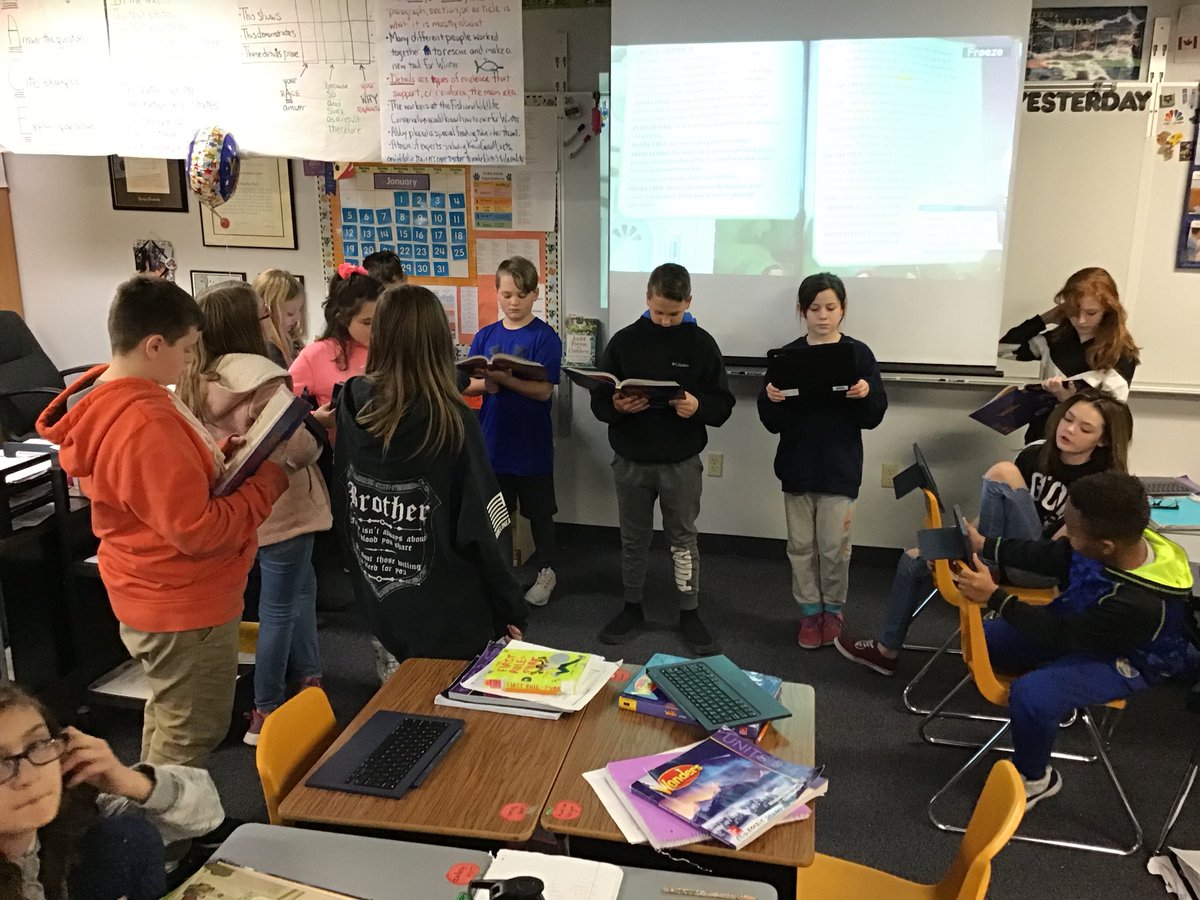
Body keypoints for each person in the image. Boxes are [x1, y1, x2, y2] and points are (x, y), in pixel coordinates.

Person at [36, 276, 288, 767]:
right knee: (191, 733)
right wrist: (269, 481)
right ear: (154, 345)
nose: (192, 360)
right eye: (188, 348)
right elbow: (199, 530)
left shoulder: (117, 399)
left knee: (171, 715)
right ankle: (160, 818)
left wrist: (215, 457)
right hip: (182, 601)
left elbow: (154, 490)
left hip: (153, 589)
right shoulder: (145, 421)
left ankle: (144, 804)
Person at [836, 389, 1133, 676]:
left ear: (1104, 439)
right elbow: (998, 508)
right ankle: (886, 652)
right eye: (1067, 418)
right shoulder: (1034, 456)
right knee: (914, 558)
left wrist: (986, 552)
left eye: (1085, 428)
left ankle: (986, 565)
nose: (1069, 430)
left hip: (1040, 567)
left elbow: (1055, 553)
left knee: (1002, 472)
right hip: (1001, 550)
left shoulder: (1100, 486)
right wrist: (963, 538)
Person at [952, 472, 1196, 806]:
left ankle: (1035, 778)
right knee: (983, 638)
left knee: (1032, 694)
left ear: (1105, 546)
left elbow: (1061, 634)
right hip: (1081, 625)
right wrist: (986, 545)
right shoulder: (1106, 543)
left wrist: (995, 597)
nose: (1065, 533)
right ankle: (1051, 683)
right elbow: (1053, 556)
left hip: (1126, 658)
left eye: (1072, 530)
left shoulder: (1139, 603)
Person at [333, 284, 528, 664]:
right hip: (450, 616)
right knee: (449, 699)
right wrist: (511, 608)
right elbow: (484, 527)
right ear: (440, 340)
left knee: (399, 692)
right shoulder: (451, 420)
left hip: (380, 601)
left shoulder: (352, 401)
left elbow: (345, 502)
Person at [178, 283, 332, 746]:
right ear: (247, 324)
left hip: (240, 510)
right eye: (265, 314)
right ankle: (265, 708)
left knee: (299, 590)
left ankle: (309, 678)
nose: (272, 320)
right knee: (280, 607)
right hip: (282, 506)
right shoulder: (261, 378)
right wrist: (315, 425)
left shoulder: (194, 377)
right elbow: (299, 450)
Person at [589, 263, 735, 654]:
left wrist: (698, 407)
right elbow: (599, 402)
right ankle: (632, 606)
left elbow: (723, 405)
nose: (666, 321)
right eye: (658, 313)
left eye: (674, 313)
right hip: (631, 459)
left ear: (689, 302)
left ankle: (689, 611)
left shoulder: (701, 344)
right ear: (647, 299)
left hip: (680, 461)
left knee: (683, 539)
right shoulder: (624, 341)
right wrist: (617, 406)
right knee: (633, 538)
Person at [758, 273, 887, 650]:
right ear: (802, 311)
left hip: (840, 467)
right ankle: (809, 612)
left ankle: (833, 611)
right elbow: (770, 420)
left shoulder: (858, 354)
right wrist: (771, 398)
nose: (823, 315)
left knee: (835, 548)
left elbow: (873, 415)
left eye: (831, 307)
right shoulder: (787, 356)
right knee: (800, 547)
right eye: (814, 308)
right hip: (797, 466)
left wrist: (865, 393)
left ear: (843, 309)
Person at [0, 683, 224, 900]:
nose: (28, 777)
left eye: (37, 745)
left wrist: (129, 781)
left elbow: (207, 815)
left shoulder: (69, 814)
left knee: (128, 838)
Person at [464, 256, 563, 606]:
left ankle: (547, 572)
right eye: (506, 295)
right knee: (496, 514)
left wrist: (505, 380)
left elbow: (544, 390)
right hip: (494, 440)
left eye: (521, 294)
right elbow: (468, 382)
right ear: (497, 293)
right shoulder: (485, 335)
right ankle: (500, 576)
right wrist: (487, 384)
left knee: (539, 512)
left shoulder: (545, 337)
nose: (514, 302)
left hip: (531, 442)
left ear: (535, 293)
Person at [998, 267, 1139, 442]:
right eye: (1073, 312)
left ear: (1108, 310)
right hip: (1042, 436)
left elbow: (1114, 415)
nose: (1081, 320)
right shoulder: (1055, 340)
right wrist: (1045, 319)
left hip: (1085, 445)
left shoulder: (1120, 353)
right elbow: (1003, 349)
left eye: (1091, 313)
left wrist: (1070, 401)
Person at [289, 264, 383, 433]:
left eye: (383, 319)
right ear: (343, 318)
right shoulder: (317, 354)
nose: (377, 328)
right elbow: (283, 410)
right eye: (367, 322)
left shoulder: (392, 348)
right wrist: (314, 419)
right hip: (340, 447)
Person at [253, 268, 307, 368]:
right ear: (267, 311)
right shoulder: (269, 350)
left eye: (300, 310)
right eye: (290, 314)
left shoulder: (294, 343)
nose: (298, 317)